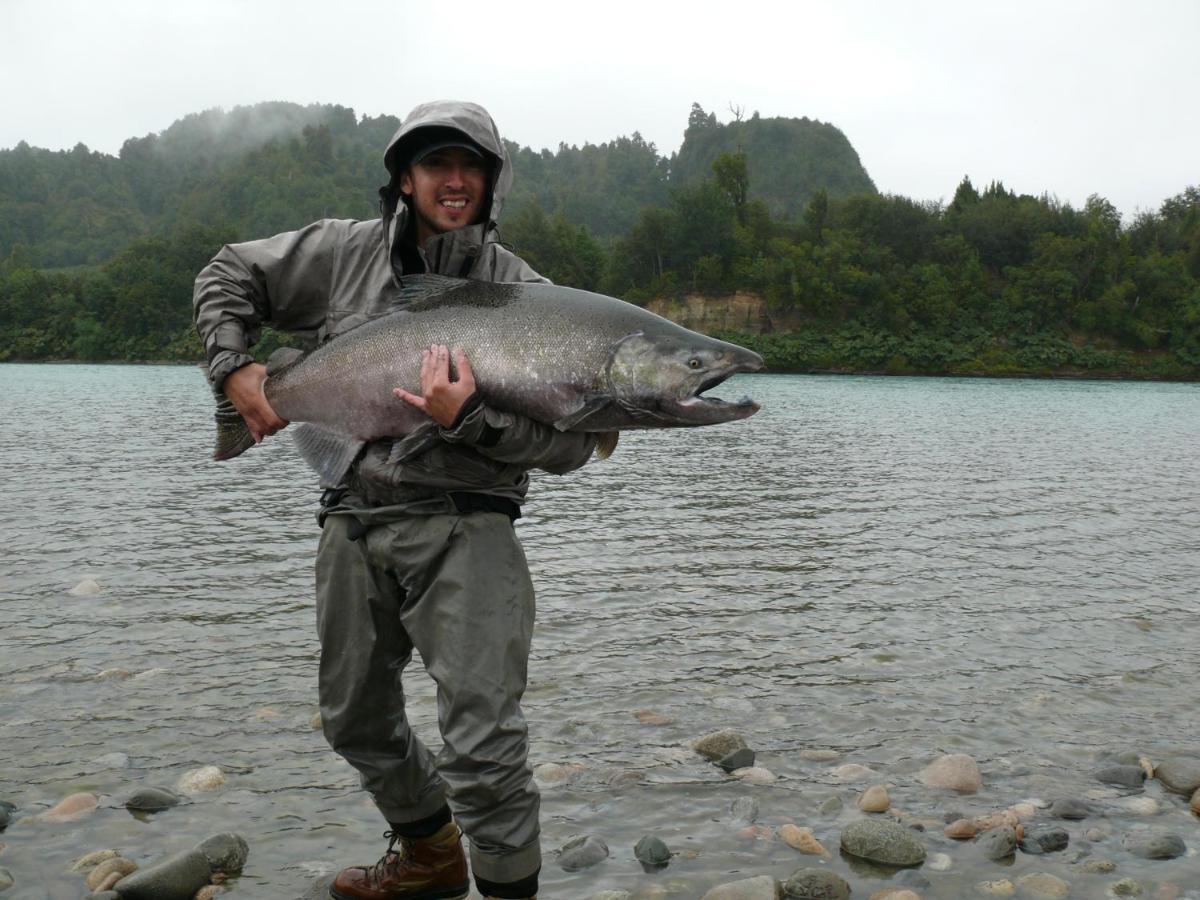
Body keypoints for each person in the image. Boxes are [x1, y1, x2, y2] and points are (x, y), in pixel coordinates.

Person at [194, 100, 596, 900]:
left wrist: (475, 422)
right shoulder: (340, 254)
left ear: (491, 182)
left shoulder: (525, 294)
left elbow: (571, 448)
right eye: (436, 165)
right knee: (354, 721)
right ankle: (430, 856)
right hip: (351, 516)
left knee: (482, 744)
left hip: (468, 525)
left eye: (471, 166)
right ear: (404, 180)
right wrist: (232, 368)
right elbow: (226, 273)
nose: (455, 180)